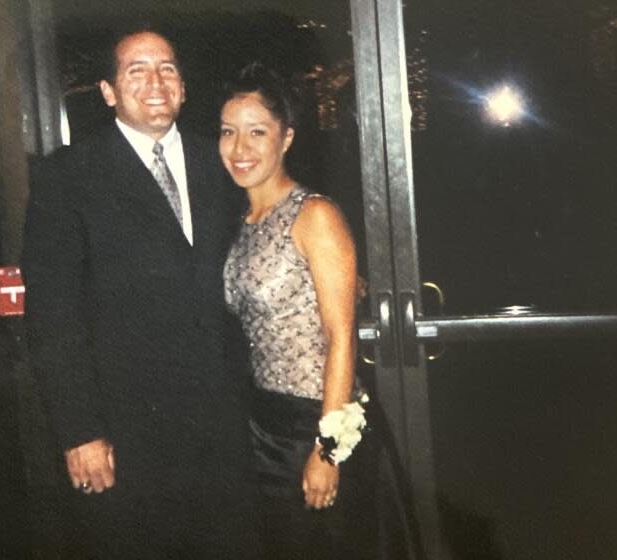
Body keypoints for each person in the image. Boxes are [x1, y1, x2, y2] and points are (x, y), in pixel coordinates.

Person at [22, 28, 252, 558]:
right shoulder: (68, 176)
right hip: (129, 436)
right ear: (107, 91)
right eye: (136, 70)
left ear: (184, 86)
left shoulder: (221, 163)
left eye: (167, 68)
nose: (155, 82)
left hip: (226, 430)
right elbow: (54, 316)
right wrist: (80, 432)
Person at [221, 62, 370, 560]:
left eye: (256, 132)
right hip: (264, 426)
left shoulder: (315, 215)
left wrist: (328, 451)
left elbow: (341, 336)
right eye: (228, 132)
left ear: (285, 138)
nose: (239, 149)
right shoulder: (242, 222)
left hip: (316, 422)